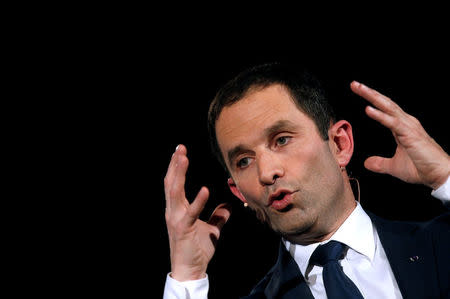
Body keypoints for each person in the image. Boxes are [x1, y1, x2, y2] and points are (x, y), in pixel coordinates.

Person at [163, 63, 450, 298]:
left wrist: (445, 175)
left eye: (282, 140)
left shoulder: (440, 243)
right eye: (244, 161)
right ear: (239, 193)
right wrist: (187, 277)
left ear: (339, 144)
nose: (266, 173)